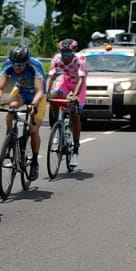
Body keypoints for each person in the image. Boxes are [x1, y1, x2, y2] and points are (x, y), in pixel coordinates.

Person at [0, 45, 47, 180]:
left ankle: (34, 161)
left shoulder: (35, 65)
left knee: (34, 129)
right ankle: (10, 137)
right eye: (14, 64)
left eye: (20, 64)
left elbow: (40, 91)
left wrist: (34, 105)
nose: (17, 67)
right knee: (11, 107)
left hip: (37, 95)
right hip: (22, 91)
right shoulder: (7, 65)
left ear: (27, 62)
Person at [46, 37, 88, 171]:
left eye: (68, 54)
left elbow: (81, 80)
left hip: (78, 85)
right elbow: (51, 77)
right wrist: (47, 93)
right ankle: (56, 129)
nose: (64, 56)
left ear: (73, 52)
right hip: (65, 82)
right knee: (54, 97)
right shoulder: (56, 58)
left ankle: (75, 149)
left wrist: (75, 95)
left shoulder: (80, 60)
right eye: (63, 53)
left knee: (74, 112)